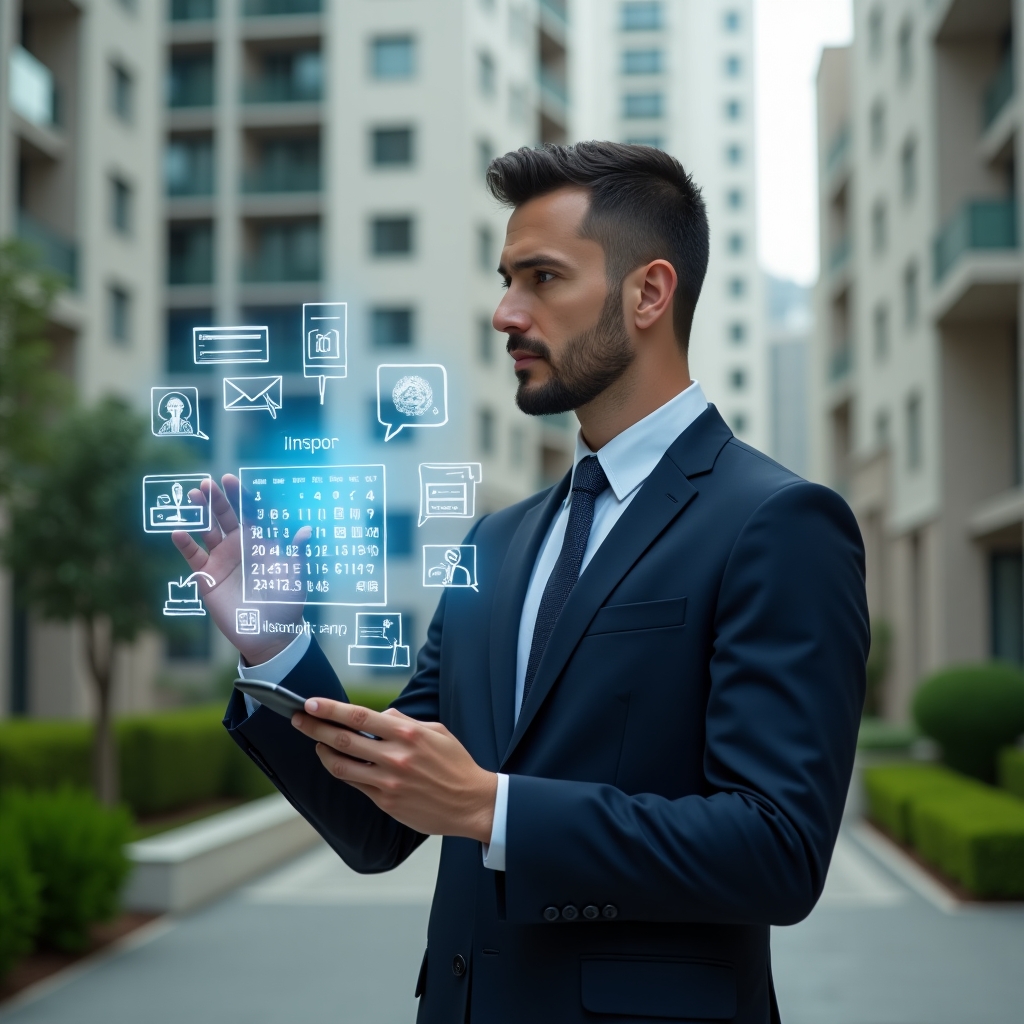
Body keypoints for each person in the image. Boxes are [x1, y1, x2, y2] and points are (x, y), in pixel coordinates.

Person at [172, 142, 868, 1024]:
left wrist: (495, 809)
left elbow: (778, 850)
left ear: (649, 293)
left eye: (542, 278)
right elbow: (381, 827)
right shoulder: (496, 540)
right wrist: (277, 648)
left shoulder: (779, 522)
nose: (505, 313)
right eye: (506, 278)